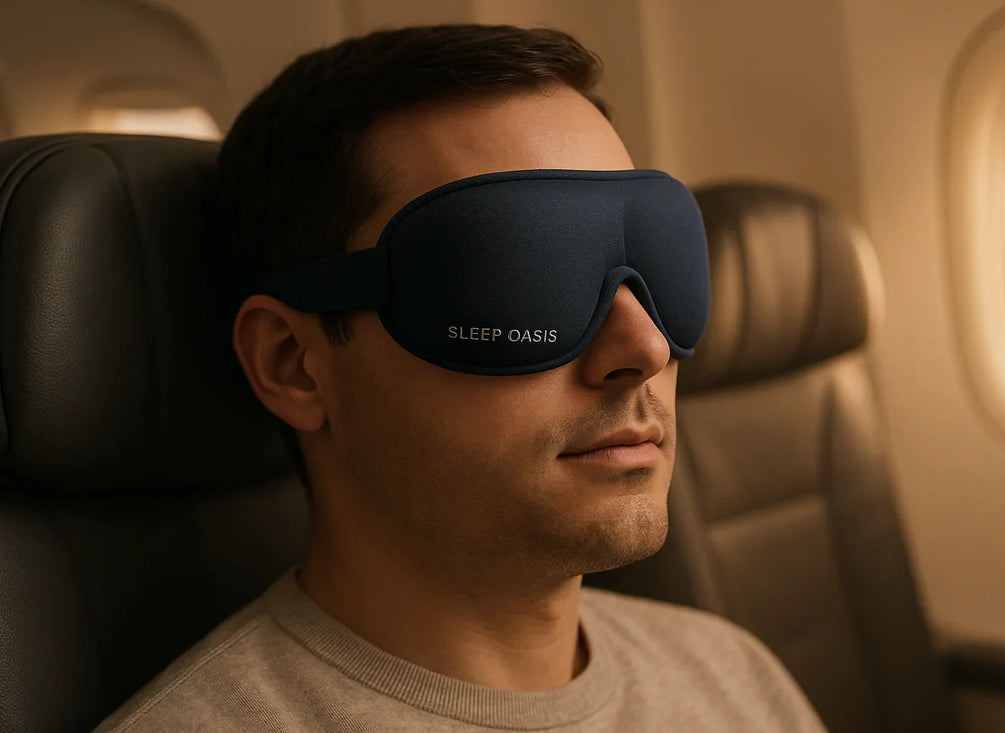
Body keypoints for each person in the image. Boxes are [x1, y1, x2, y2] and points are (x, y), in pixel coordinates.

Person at [97, 24, 825, 732]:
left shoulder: (735, 674)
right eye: (525, 276)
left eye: (659, 262)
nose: (645, 346)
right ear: (293, 363)